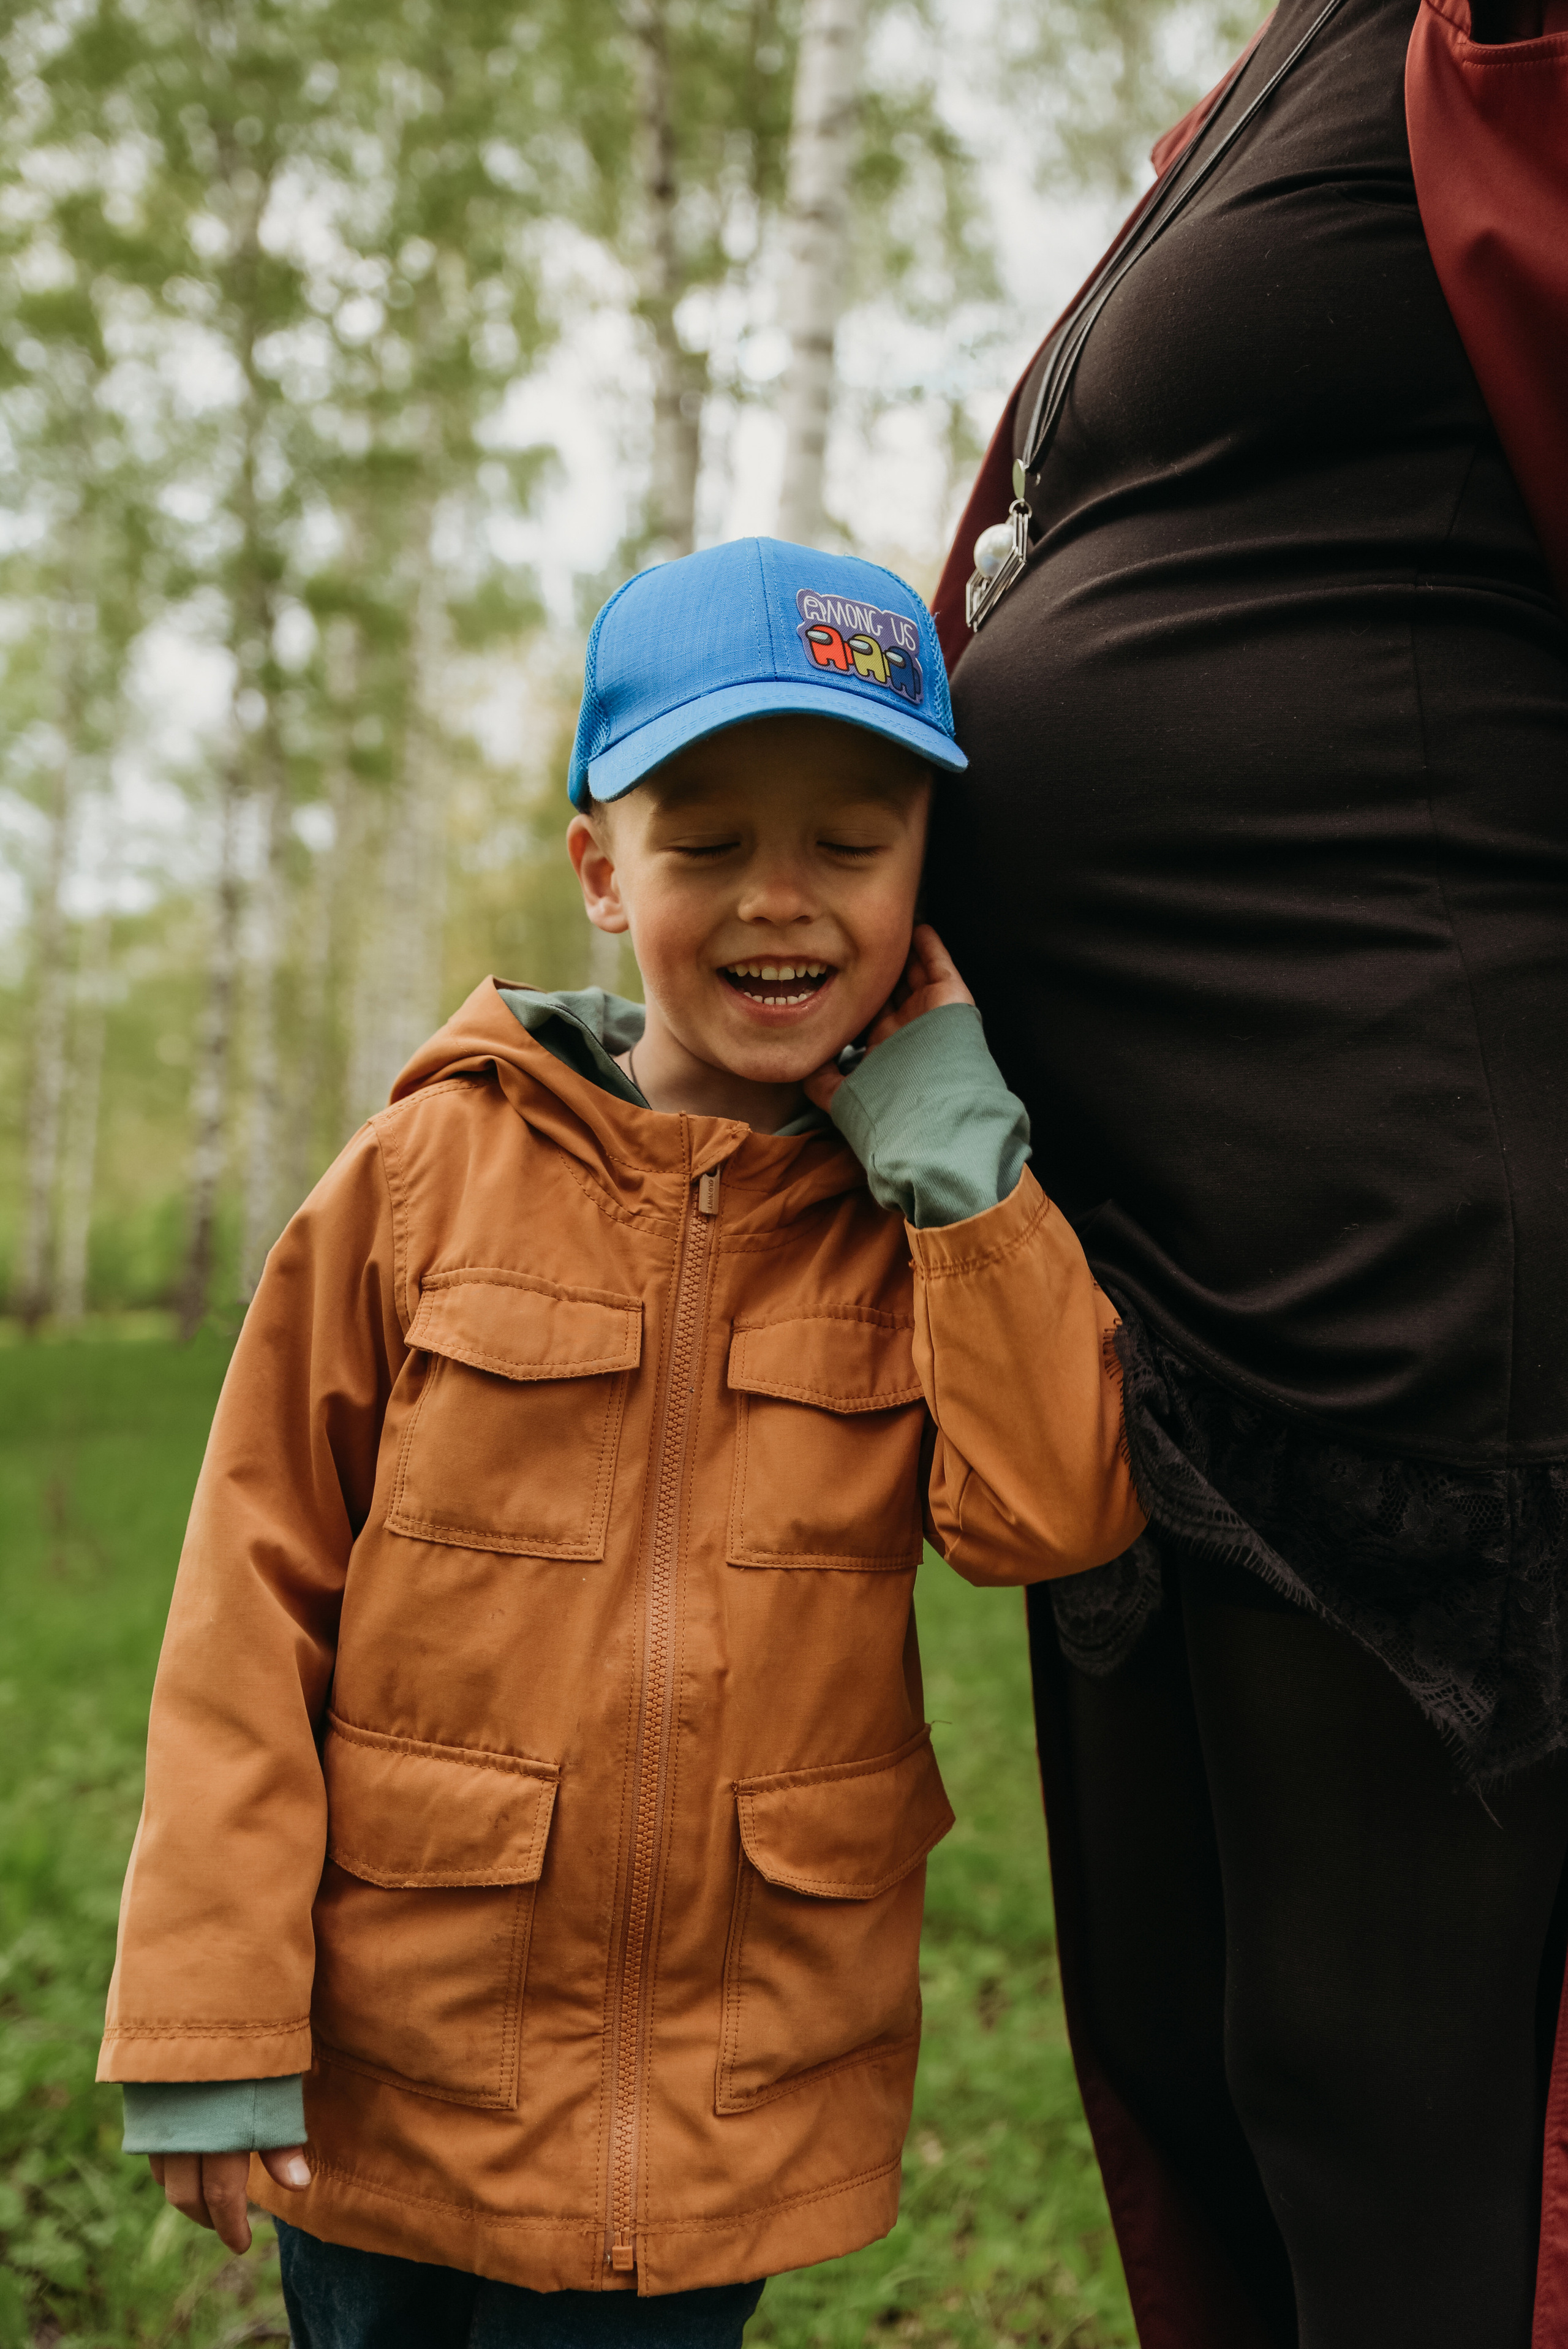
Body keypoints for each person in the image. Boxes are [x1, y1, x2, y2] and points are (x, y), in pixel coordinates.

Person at [97, 537, 1145, 2348]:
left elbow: (1053, 1508)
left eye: (850, 841)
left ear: (925, 878)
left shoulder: (911, 1223)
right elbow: (247, 1590)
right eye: (709, 839)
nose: (780, 902)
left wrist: (963, 1169)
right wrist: (208, 2011)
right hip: (400, 2061)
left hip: (715, 2107)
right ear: (603, 868)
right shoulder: (426, 1175)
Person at [924, 0, 1568, 2343]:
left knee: (1366, 2087)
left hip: (1381, 1209)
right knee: (1190, 2051)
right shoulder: (1287, 67)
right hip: (1117, 1255)